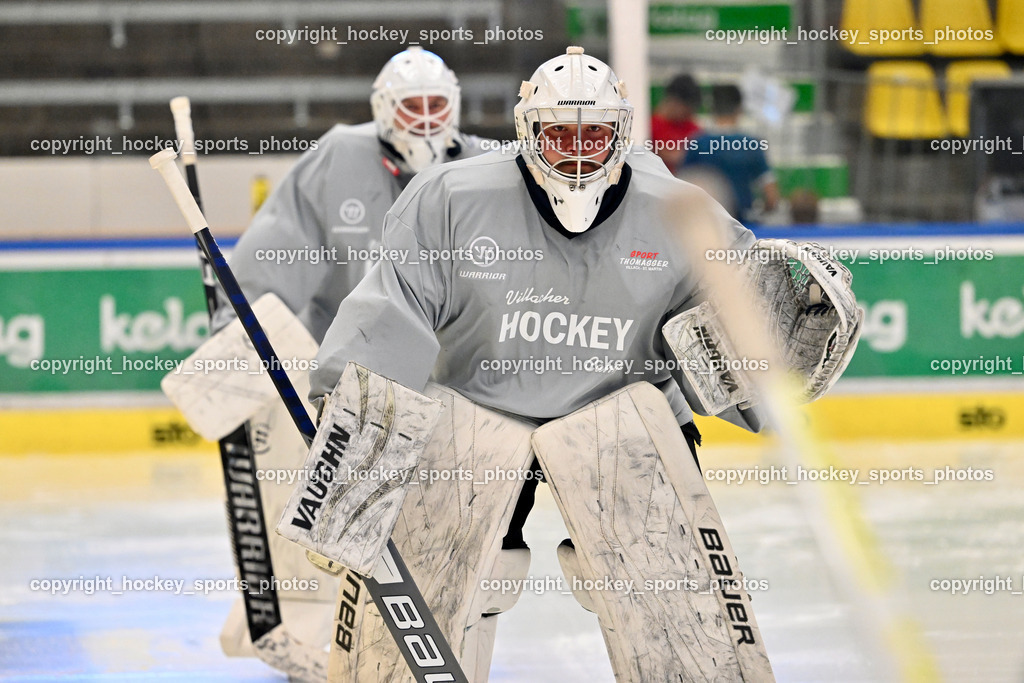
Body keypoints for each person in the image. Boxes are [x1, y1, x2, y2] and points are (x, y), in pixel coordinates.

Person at [307, 46, 782, 681]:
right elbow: (389, 320)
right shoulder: (449, 198)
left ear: (622, 133)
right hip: (479, 415)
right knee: (464, 574)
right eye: (561, 133)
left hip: (625, 417)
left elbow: (741, 337)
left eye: (596, 135)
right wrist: (349, 462)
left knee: (655, 582)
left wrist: (782, 352)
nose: (580, 154)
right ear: (528, 132)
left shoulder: (682, 213)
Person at [210, 46, 491, 662]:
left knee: (444, 526)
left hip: (451, 385)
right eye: (410, 106)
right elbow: (275, 255)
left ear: (456, 107)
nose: (423, 119)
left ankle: (439, 629)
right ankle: (320, 625)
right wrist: (240, 325)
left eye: (435, 105)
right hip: (348, 383)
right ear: (383, 109)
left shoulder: (484, 167)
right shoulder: (339, 155)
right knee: (333, 524)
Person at [679, 83, 780, 225]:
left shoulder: (698, 144)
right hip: (744, 225)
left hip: (708, 226)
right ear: (739, 109)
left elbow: (680, 191)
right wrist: (758, 213)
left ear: (711, 109)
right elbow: (772, 197)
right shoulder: (752, 145)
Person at [650, 72, 703, 172]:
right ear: (673, 101)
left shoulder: (694, 129)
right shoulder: (649, 127)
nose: (689, 114)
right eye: (687, 109)